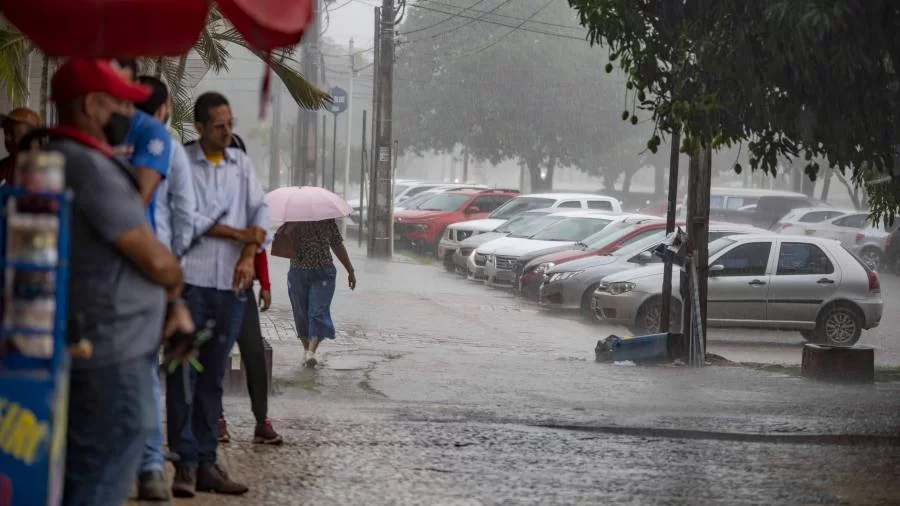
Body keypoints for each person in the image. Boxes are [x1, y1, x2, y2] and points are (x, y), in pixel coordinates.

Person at [46, 58, 192, 506]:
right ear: (91, 105)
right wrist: (174, 279)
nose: (126, 116)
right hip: (110, 346)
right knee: (106, 461)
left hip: (105, 338)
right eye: (116, 104)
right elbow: (155, 259)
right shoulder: (88, 165)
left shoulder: (66, 158)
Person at [167, 92, 268, 498]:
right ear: (201, 127)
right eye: (219, 125)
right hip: (190, 285)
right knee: (181, 375)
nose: (228, 131)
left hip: (230, 287)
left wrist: (247, 253)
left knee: (213, 378)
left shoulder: (240, 163)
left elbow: (260, 213)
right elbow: (189, 220)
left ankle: (207, 462)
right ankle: (184, 464)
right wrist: (237, 232)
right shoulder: (182, 163)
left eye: (231, 123)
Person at [213, 134, 282, 445]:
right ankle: (215, 418)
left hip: (243, 292)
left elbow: (260, 248)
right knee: (216, 355)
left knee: (254, 354)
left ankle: (261, 421)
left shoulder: (251, 198)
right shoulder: (206, 193)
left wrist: (265, 285)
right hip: (212, 287)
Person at [130, 74, 178, 501]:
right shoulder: (101, 139)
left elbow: (181, 213)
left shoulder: (159, 142)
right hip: (115, 268)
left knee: (144, 367)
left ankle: (147, 464)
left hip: (149, 268)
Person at [285, 219, 357, 367]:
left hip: (323, 273)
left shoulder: (327, 221)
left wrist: (350, 270)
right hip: (298, 272)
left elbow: (337, 244)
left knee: (318, 312)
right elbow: (283, 242)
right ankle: (306, 350)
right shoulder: (293, 219)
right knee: (301, 315)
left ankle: (311, 352)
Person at [0, 107, 41, 183]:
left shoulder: (47, 168)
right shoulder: (3, 166)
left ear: (31, 134)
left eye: (12, 132)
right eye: (5, 132)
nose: (7, 137)